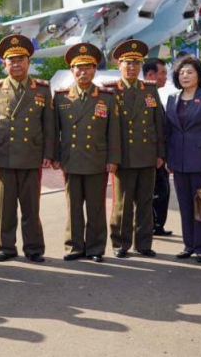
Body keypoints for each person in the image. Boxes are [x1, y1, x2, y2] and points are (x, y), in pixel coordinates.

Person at [0, 34, 55, 263]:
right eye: (11, 60)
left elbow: (49, 125)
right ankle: (5, 247)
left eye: (20, 60)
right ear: (4, 64)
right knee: (5, 206)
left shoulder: (42, 89)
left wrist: (48, 153)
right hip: (4, 155)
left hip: (31, 155)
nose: (16, 64)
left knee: (31, 206)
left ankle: (34, 248)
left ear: (28, 62)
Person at [52, 42, 121, 262]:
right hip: (71, 159)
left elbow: (113, 131)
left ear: (95, 69)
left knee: (96, 207)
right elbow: (54, 130)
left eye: (88, 67)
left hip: (96, 160)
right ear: (71, 70)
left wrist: (113, 158)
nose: (83, 72)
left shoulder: (106, 97)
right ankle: (74, 246)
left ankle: (95, 248)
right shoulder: (61, 97)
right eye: (78, 68)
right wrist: (55, 156)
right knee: (73, 206)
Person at [107, 40, 165, 258]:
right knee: (122, 204)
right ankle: (120, 243)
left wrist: (160, 153)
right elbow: (108, 129)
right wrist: (112, 157)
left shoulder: (149, 89)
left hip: (147, 155)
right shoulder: (111, 91)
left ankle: (144, 243)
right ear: (119, 65)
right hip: (123, 156)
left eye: (136, 63)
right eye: (127, 63)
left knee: (145, 202)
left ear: (141, 66)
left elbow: (158, 123)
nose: (131, 67)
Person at [164, 55, 201, 263]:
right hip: (178, 162)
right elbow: (169, 132)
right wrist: (168, 159)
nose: (185, 76)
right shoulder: (172, 98)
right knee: (185, 205)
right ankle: (188, 245)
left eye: (190, 72)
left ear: (199, 75)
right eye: (181, 73)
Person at [143, 58, 173, 237]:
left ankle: (158, 224)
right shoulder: (145, 96)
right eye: (162, 73)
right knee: (157, 192)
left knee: (162, 191)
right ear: (150, 75)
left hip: (160, 155)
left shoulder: (155, 95)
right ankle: (153, 224)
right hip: (152, 156)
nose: (165, 77)